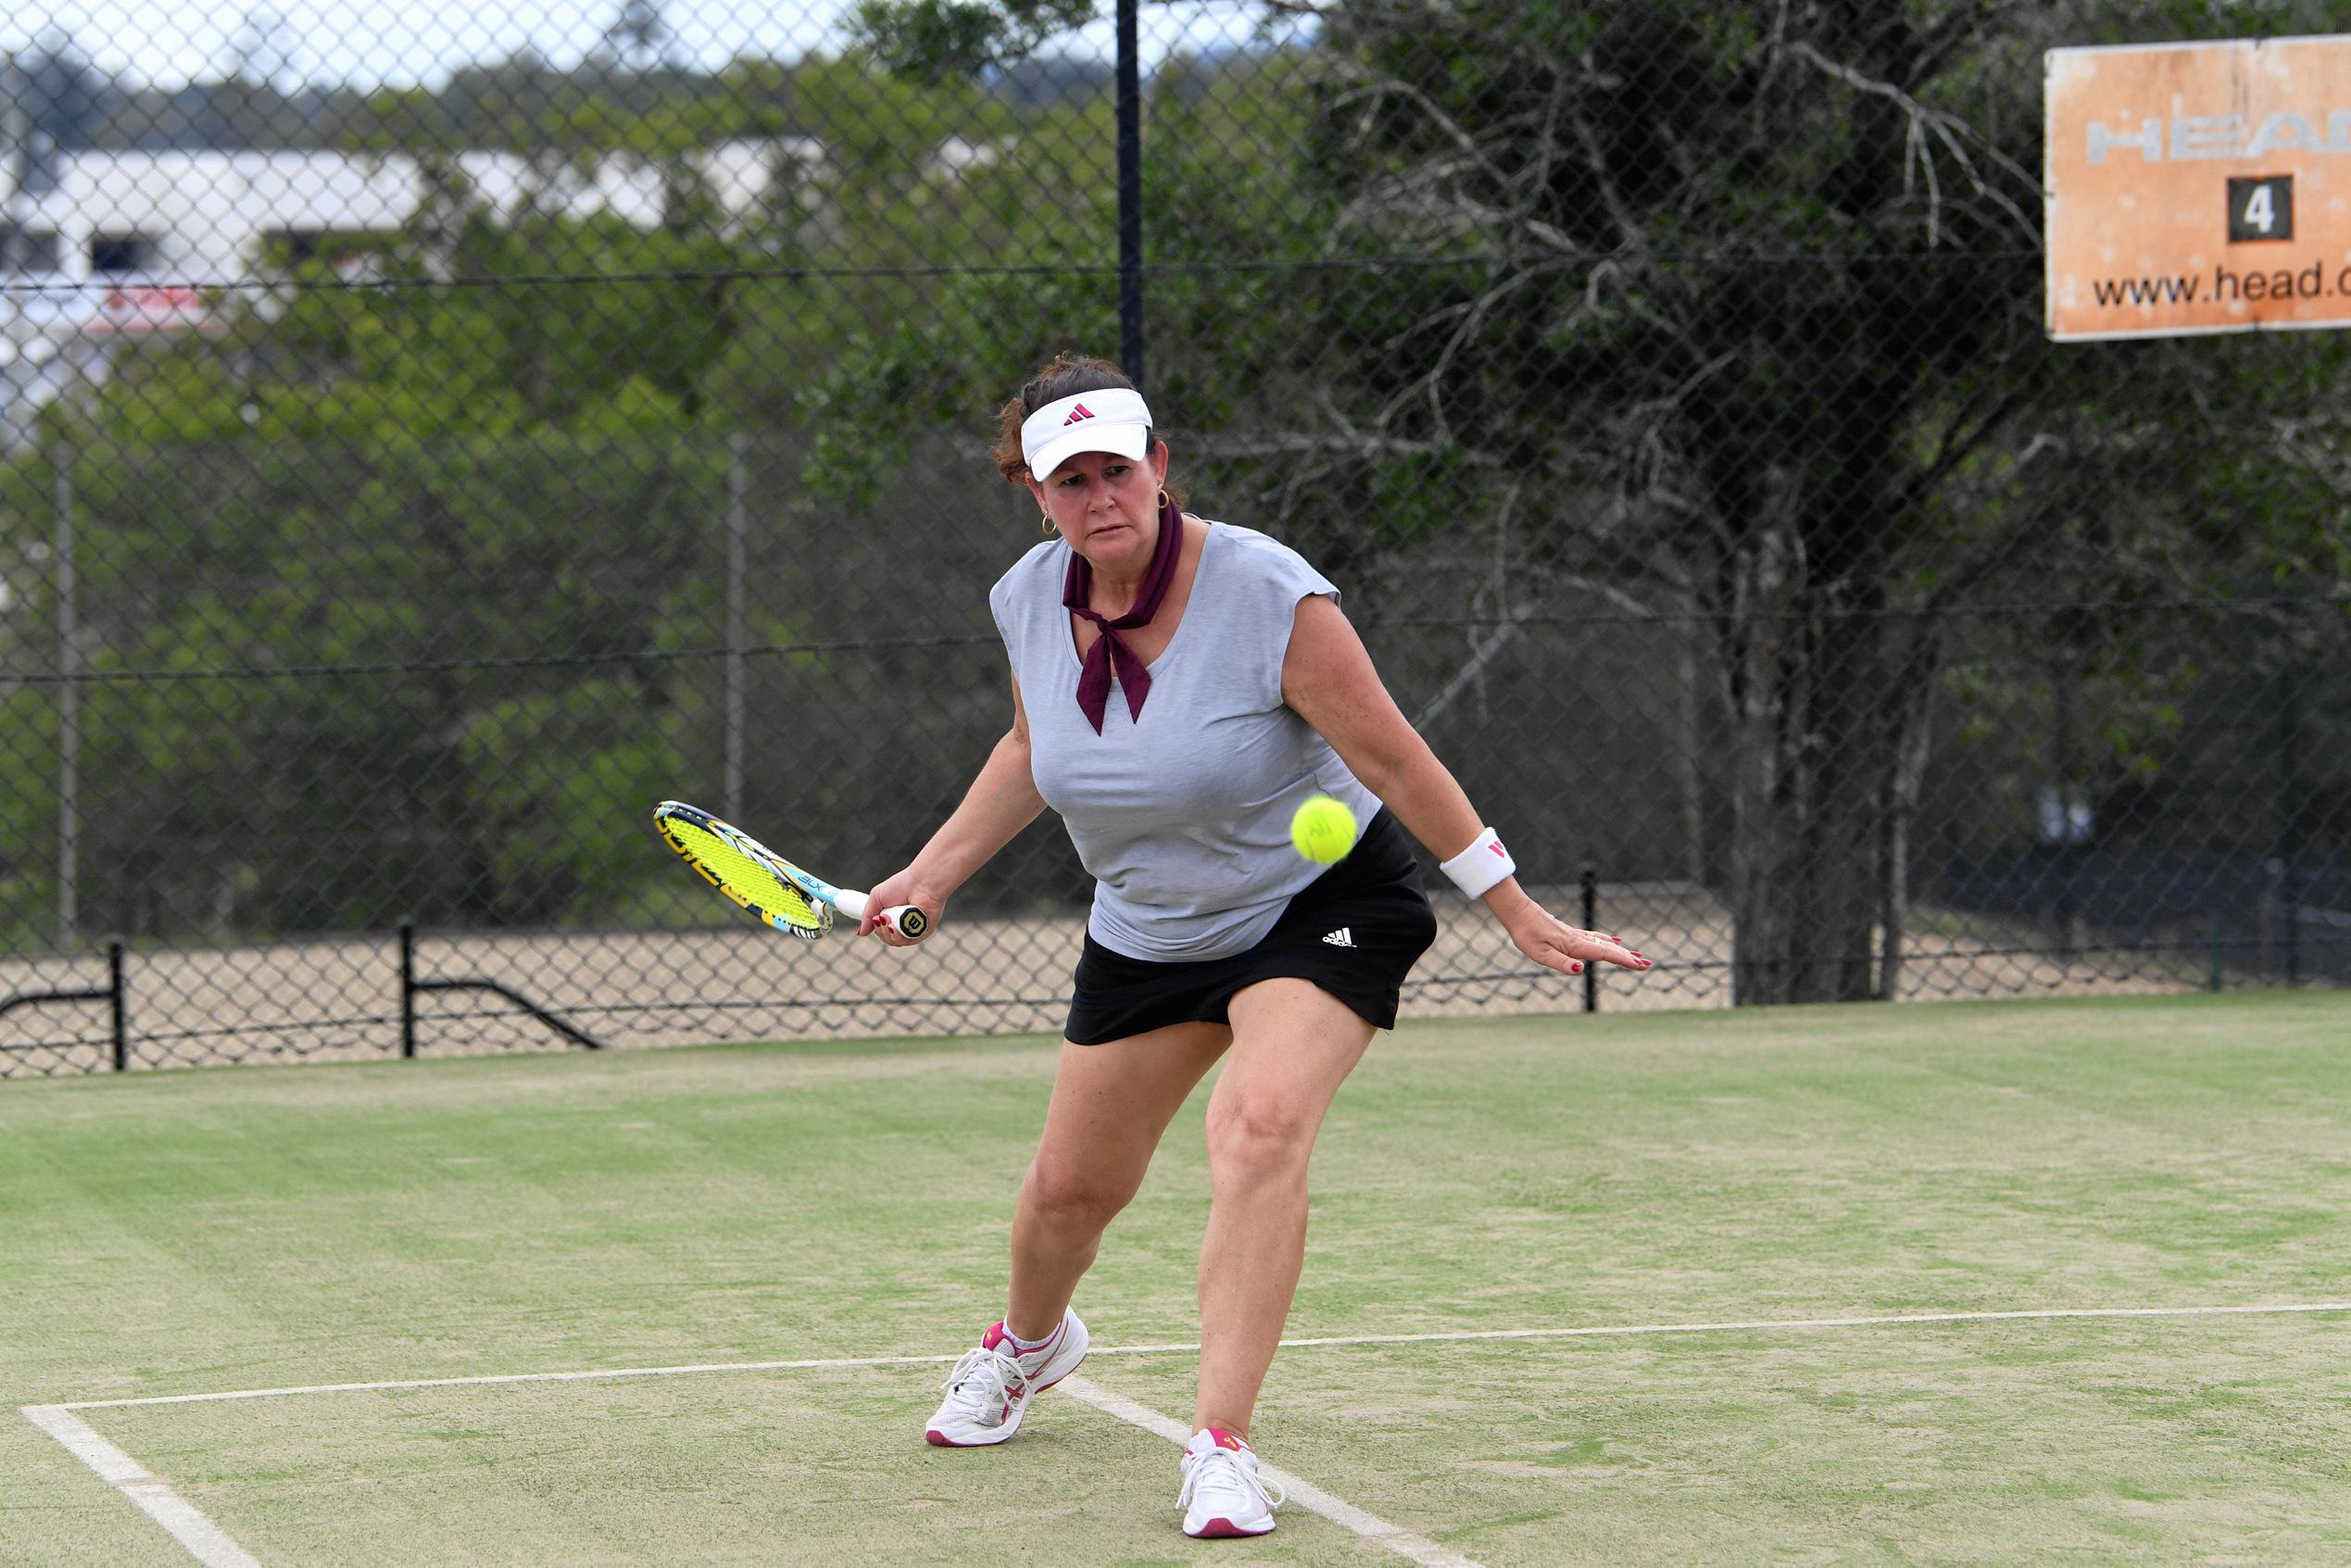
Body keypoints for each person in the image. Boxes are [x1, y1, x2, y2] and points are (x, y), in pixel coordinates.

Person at [857, 352, 1649, 1539]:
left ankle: (1220, 1443)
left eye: (1116, 470)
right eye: (1068, 479)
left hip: (1319, 904)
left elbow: (1390, 756)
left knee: (1260, 1123)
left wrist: (1514, 905)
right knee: (1070, 1193)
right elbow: (1031, 747)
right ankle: (1029, 1346)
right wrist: (931, 872)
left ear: (1160, 467)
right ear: (1036, 493)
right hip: (1148, 929)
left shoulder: (1272, 593)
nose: (1098, 497)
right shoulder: (1028, 596)